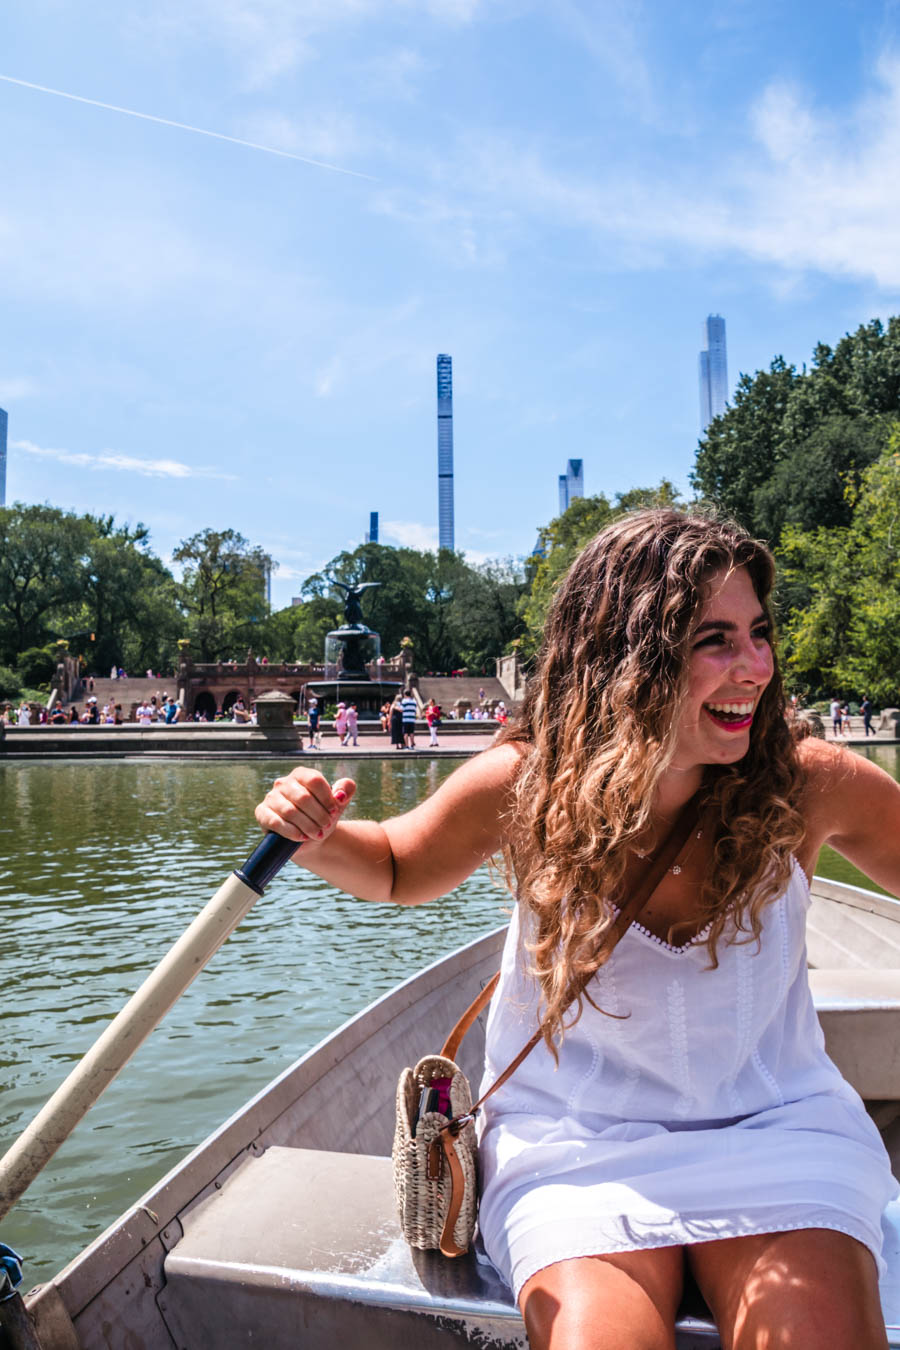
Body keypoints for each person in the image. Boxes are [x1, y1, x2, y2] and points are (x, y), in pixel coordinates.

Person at [256, 510, 900, 1350]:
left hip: (774, 1125)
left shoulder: (808, 782)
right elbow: (396, 867)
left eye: (758, 633)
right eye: (714, 640)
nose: (754, 668)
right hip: (574, 1138)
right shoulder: (528, 782)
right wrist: (314, 829)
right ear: (632, 658)